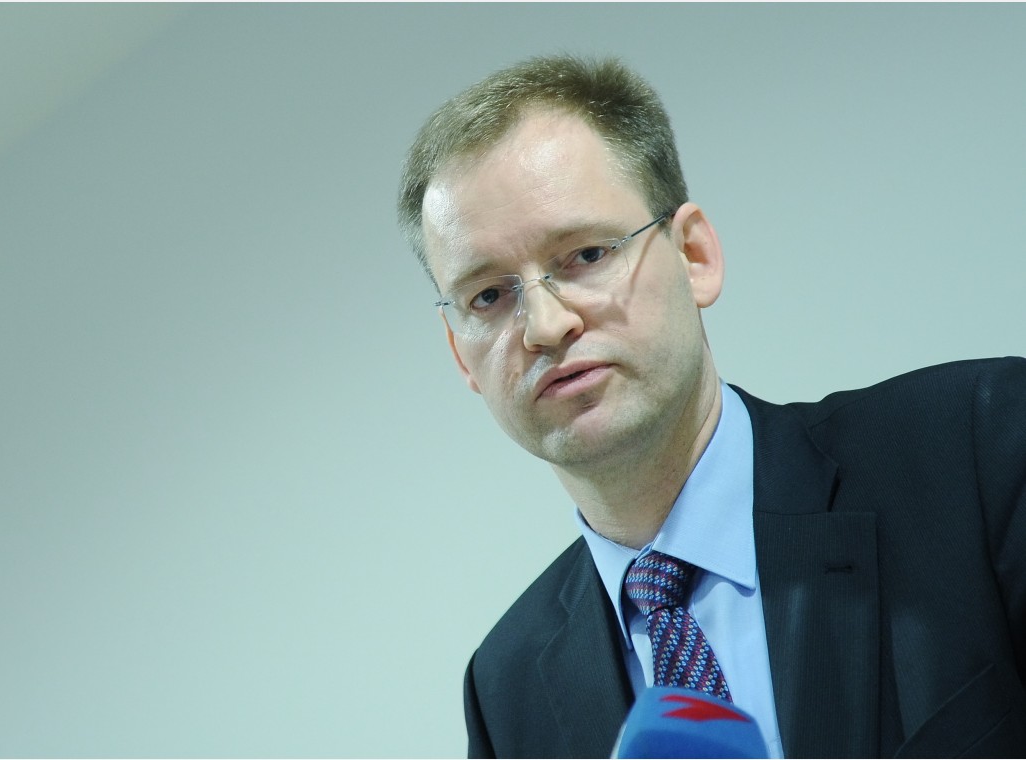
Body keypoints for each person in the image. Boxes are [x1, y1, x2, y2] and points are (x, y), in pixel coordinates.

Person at [396, 55, 1026, 758]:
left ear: (694, 256)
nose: (545, 325)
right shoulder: (506, 690)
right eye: (488, 295)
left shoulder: (977, 452)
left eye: (586, 255)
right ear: (462, 357)